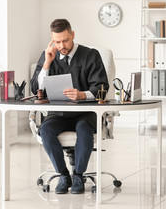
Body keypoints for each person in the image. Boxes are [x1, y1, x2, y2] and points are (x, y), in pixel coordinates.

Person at [30, 19, 109, 194]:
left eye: (65, 40)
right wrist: (47, 64)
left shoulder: (90, 55)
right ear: (52, 39)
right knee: (46, 130)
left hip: (85, 114)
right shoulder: (47, 56)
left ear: (73, 34)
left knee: (83, 129)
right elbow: (36, 89)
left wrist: (83, 94)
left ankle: (78, 175)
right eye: (57, 42)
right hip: (58, 113)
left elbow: (102, 86)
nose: (62, 46)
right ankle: (64, 175)